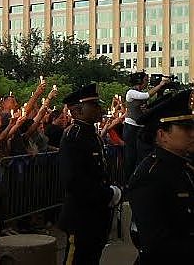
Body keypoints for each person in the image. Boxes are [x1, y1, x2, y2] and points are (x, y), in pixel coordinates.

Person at [128, 89, 194, 265]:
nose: (192, 134)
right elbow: (156, 242)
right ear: (162, 134)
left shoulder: (182, 166)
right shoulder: (151, 174)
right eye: (185, 128)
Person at [58, 83, 122, 265]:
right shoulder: (74, 136)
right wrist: (108, 194)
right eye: (93, 105)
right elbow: (74, 181)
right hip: (81, 216)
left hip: (96, 213)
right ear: (78, 110)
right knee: (78, 259)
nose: (99, 109)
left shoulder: (90, 134)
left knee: (92, 258)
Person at [123, 71, 169, 182]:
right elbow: (147, 95)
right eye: (145, 80)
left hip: (139, 127)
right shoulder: (131, 92)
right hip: (130, 127)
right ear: (139, 81)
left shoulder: (139, 93)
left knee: (140, 155)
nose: (147, 82)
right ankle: (127, 182)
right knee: (131, 156)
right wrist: (161, 84)